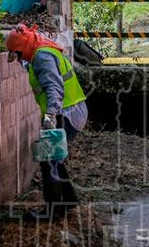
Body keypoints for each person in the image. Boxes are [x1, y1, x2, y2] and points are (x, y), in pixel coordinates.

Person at [6, 24, 88, 217]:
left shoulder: (42, 56)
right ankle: (68, 202)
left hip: (66, 112)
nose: (17, 59)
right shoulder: (40, 50)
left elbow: (54, 88)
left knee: (48, 159)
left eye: (17, 54)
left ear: (23, 48)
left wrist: (50, 115)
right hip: (72, 109)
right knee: (55, 159)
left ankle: (54, 211)